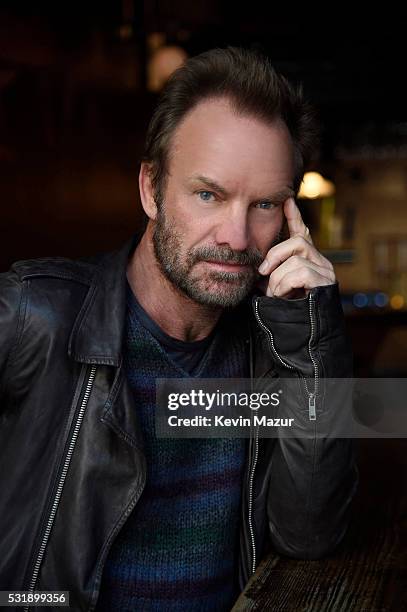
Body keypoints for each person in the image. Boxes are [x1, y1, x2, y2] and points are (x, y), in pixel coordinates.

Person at [0, 47, 357, 612]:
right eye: (208, 194)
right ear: (150, 189)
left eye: (264, 203)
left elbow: (310, 536)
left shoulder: (272, 349)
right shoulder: (32, 315)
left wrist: (314, 338)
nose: (237, 238)